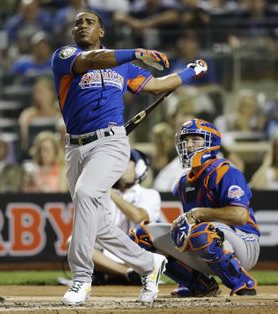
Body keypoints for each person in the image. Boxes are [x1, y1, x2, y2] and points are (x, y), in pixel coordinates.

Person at [51, 10, 208, 305]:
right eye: (78, 23)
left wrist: (191, 71)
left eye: (90, 22)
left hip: (110, 144)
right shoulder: (66, 55)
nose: (82, 26)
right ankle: (149, 265)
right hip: (75, 148)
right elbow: (94, 60)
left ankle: (81, 279)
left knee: (86, 193)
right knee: (98, 225)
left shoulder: (124, 67)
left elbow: (159, 86)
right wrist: (136, 52)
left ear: (102, 32)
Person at [130, 118, 260, 297]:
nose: (188, 145)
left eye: (195, 139)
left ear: (211, 143)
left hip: (244, 242)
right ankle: (199, 285)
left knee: (201, 232)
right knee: (141, 236)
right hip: (209, 240)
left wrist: (197, 214)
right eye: (185, 140)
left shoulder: (226, 171)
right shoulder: (184, 182)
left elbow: (240, 215)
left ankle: (241, 281)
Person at [91, 149, 161, 284]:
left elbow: (139, 217)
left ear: (140, 168)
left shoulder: (149, 194)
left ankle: (114, 273)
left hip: (139, 254)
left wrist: (110, 193)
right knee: (75, 243)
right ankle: (128, 274)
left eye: (127, 161)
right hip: (109, 255)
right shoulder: (103, 195)